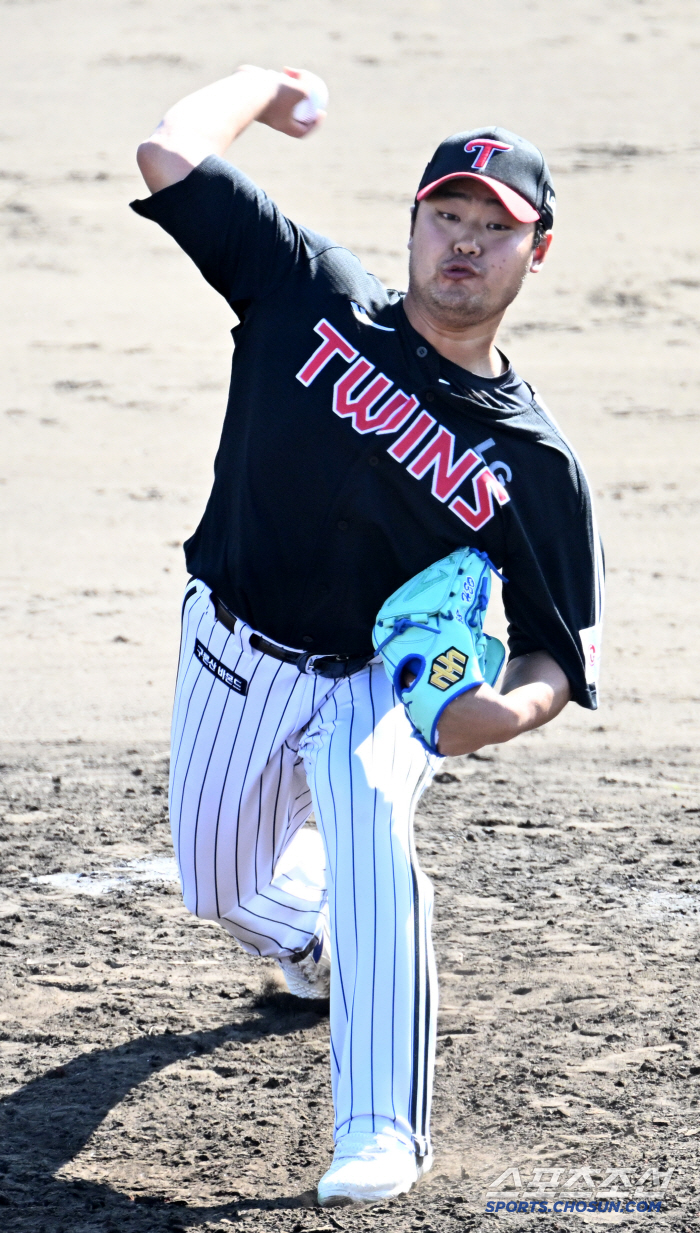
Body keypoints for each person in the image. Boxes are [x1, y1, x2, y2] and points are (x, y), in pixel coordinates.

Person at [131, 65, 604, 1207]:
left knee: (370, 831)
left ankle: (381, 1128)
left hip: (381, 688)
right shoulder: (308, 291)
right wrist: (267, 86)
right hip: (229, 651)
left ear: (533, 255)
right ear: (412, 223)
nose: (463, 244)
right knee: (217, 885)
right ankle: (309, 943)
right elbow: (165, 152)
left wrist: (501, 712)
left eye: (495, 229)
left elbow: (555, 657)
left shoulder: (531, 465)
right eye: (448, 215)